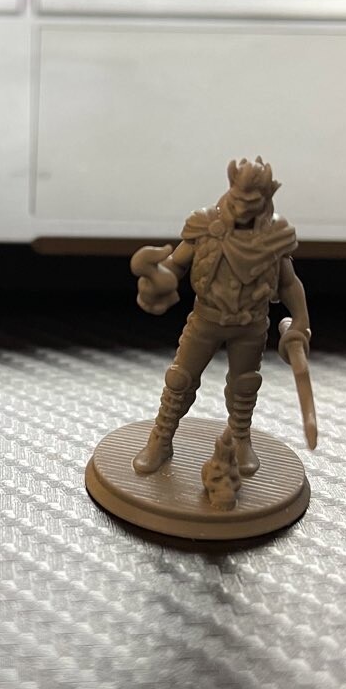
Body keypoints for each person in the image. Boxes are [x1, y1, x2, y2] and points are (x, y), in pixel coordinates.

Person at [130, 156, 310, 477]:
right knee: (180, 379)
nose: (241, 208)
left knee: (245, 385)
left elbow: (288, 282)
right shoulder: (205, 226)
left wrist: (300, 320)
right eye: (238, 198)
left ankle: (240, 438)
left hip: (251, 324)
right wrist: (157, 278)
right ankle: (161, 438)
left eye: (251, 202)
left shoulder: (275, 235)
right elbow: (176, 264)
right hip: (206, 319)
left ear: (265, 199)